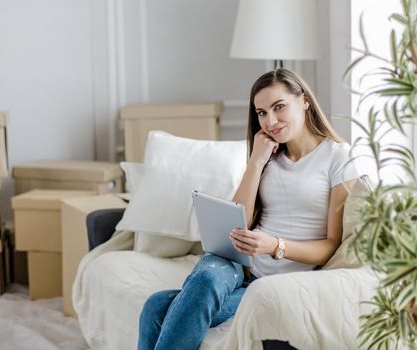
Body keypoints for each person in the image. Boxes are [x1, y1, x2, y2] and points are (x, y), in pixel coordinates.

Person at [137, 68, 359, 350]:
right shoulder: (269, 155)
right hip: (239, 264)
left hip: (275, 282)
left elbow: (331, 246)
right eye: (262, 113)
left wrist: (274, 246)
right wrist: (256, 160)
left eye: (279, 107)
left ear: (304, 101)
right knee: (204, 277)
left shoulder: (338, 157)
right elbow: (238, 217)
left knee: (158, 306)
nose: (271, 121)